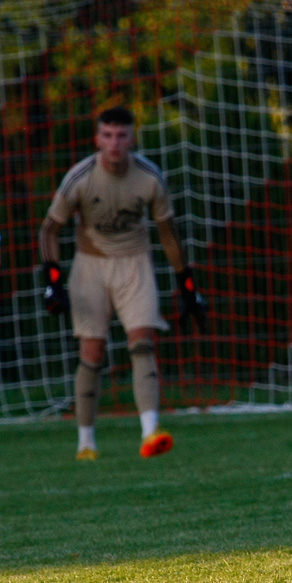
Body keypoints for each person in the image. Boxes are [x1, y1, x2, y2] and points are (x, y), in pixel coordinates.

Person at [39, 106, 206, 461]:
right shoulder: (80, 177)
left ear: (132, 138)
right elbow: (50, 229)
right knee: (92, 353)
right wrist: (52, 278)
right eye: (108, 135)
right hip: (90, 266)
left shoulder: (149, 177)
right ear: (98, 138)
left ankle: (150, 433)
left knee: (142, 343)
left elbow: (168, 233)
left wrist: (186, 282)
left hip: (135, 264)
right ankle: (86, 443)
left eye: (121, 135)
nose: (115, 143)